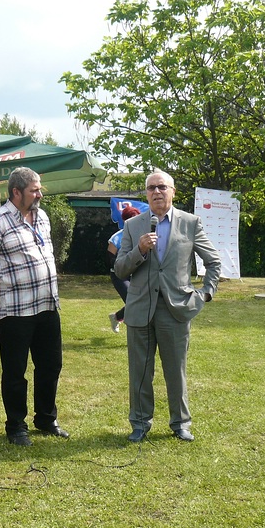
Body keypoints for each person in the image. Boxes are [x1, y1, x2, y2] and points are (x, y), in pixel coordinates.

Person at [114, 169, 222, 443]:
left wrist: (205, 294)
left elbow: (213, 261)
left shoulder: (190, 223)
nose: (157, 192)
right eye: (151, 188)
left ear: (173, 191)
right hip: (140, 308)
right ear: (146, 194)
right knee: (140, 372)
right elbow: (120, 268)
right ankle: (140, 423)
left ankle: (180, 423)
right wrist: (139, 250)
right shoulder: (133, 226)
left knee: (176, 371)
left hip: (176, 309)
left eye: (162, 187)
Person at [0, 167, 68, 446]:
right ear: (16, 192)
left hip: (47, 304)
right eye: (34, 190)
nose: (39, 195)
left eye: (39, 189)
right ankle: (16, 426)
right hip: (15, 309)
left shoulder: (42, 217)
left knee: (50, 365)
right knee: (15, 371)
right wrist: (5, 289)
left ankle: (46, 418)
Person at [107, 205, 141, 333]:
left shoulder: (142, 236)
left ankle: (116, 317)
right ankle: (136, 332)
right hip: (120, 275)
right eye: (131, 219)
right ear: (125, 221)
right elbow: (110, 260)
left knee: (140, 301)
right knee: (133, 301)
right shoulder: (116, 237)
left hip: (137, 274)